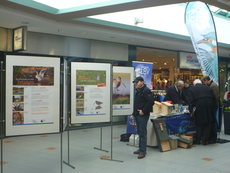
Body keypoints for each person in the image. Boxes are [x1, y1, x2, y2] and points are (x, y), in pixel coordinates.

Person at [130, 76, 154, 159]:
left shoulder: (146, 90)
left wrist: (143, 110)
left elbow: (151, 102)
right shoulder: (139, 90)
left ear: (142, 82)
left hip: (143, 115)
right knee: (140, 132)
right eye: (135, 83)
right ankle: (140, 149)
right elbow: (137, 103)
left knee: (143, 133)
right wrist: (133, 114)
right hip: (138, 114)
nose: (135, 84)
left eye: (137, 82)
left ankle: (143, 152)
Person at [189, 79, 216, 145]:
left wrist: (191, 111)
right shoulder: (208, 88)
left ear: (194, 84)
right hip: (209, 105)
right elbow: (214, 97)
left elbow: (191, 101)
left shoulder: (193, 89)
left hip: (199, 106)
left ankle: (198, 140)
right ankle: (205, 140)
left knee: (199, 123)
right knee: (208, 123)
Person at [201, 76, 219, 143]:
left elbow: (216, 97)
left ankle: (213, 137)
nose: (203, 84)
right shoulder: (211, 85)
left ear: (206, 80)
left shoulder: (213, 86)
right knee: (211, 121)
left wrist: (211, 105)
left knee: (213, 121)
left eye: (203, 82)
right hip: (212, 106)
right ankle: (211, 136)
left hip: (213, 106)